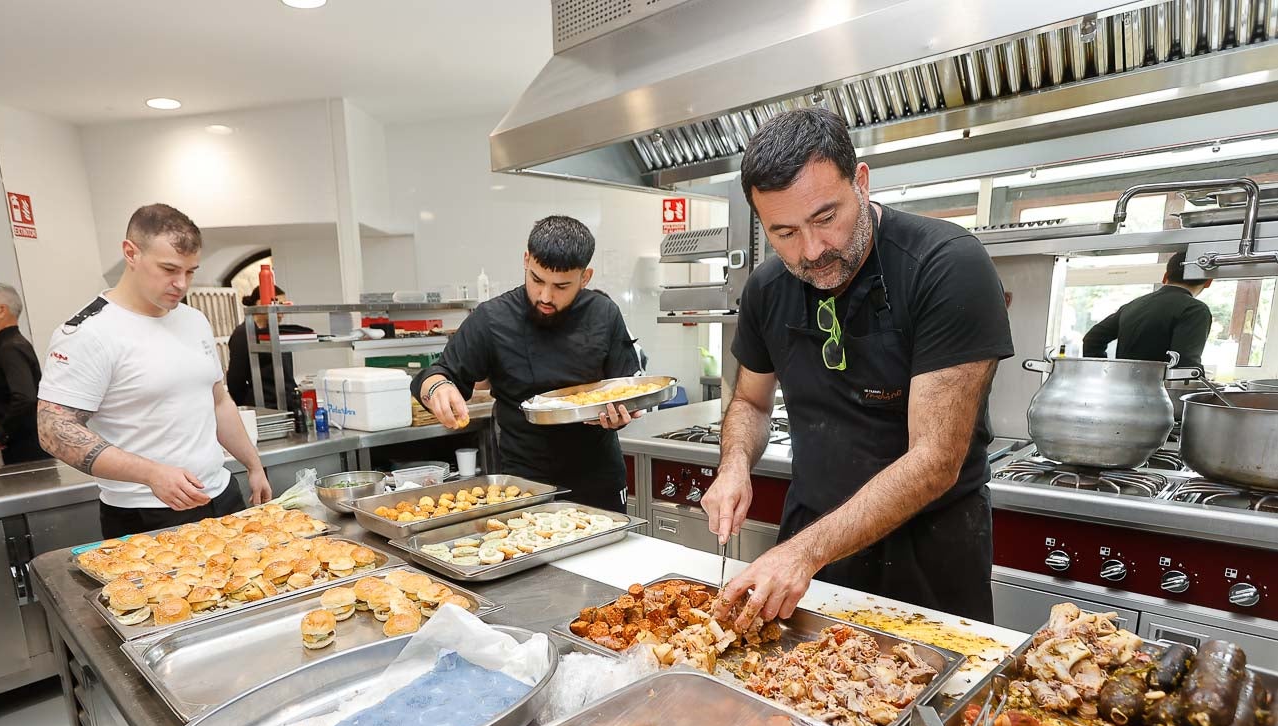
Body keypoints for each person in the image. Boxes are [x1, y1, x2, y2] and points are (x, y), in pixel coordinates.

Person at [704, 109, 1013, 625]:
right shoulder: (767, 288)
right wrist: (734, 464)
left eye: (826, 218)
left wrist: (804, 553)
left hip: (926, 554)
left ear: (862, 182)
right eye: (783, 232)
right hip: (810, 537)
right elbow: (751, 402)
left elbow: (936, 459)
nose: (812, 250)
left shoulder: (947, 265)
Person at [37, 204, 273, 539]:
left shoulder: (194, 320)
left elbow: (218, 401)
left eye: (190, 272)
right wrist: (151, 474)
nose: (181, 284)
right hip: (146, 512)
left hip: (222, 496)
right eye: (168, 269)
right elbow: (53, 430)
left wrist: (253, 464)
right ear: (130, 253)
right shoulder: (89, 333)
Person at [411, 216, 641, 512]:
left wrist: (622, 414)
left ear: (585, 277)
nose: (546, 296)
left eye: (561, 286)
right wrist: (437, 388)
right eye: (537, 279)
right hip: (524, 483)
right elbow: (435, 375)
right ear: (526, 260)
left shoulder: (604, 314)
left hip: (598, 479)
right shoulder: (492, 319)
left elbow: (627, 387)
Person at [1082, 251, 1213, 367]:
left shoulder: (1134, 304)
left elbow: (1092, 339)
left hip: (1123, 388)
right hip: (1160, 391)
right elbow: (1185, 365)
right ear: (1208, 282)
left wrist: (1103, 372)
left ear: (1165, 276)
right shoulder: (1195, 310)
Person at [0, 282, 48, 464]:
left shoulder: (10, 348)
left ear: (2, 310)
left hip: (28, 449)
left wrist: (1, 432)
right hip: (22, 443)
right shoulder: (6, 345)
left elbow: (25, 398)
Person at [225, 285, 314, 408]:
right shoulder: (243, 334)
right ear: (261, 303)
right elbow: (235, 382)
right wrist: (252, 407)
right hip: (265, 407)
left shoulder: (276, 331)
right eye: (278, 305)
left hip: (289, 404)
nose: (281, 312)